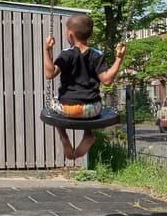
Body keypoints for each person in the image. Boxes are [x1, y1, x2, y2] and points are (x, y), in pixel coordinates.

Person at [43, 14, 125, 162]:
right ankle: (88, 134)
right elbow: (106, 80)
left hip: (68, 109)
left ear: (70, 34)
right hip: (92, 110)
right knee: (92, 98)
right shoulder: (96, 55)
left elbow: (49, 74)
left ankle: (63, 135)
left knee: (53, 103)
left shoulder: (66, 54)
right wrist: (119, 58)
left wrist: (47, 50)